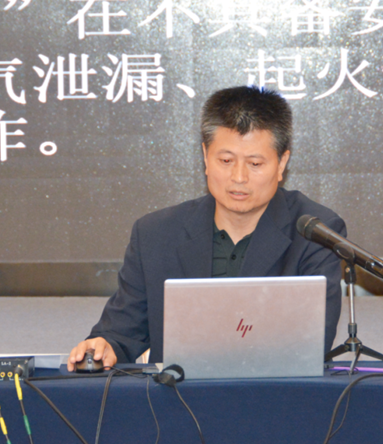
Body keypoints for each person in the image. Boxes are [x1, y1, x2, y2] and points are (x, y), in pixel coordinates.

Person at [68, 86, 346, 371]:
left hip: (273, 390)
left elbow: (313, 342)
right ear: (205, 156)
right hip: (177, 394)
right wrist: (104, 347)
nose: (239, 177)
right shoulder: (155, 234)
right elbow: (120, 333)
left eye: (255, 163)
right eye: (226, 161)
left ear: (281, 163)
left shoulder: (314, 233)